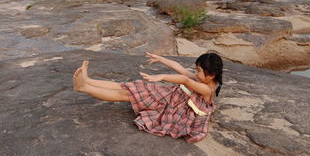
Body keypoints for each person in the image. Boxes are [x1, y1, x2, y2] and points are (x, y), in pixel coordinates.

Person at [73, 52, 223, 142]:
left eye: (198, 71)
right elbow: (179, 68)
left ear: (211, 75)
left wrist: (162, 76)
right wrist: (160, 58)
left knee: (125, 94)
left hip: (172, 105)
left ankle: (83, 87)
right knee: (127, 87)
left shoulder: (206, 89)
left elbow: (185, 80)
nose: (195, 73)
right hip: (170, 96)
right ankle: (88, 81)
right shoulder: (205, 79)